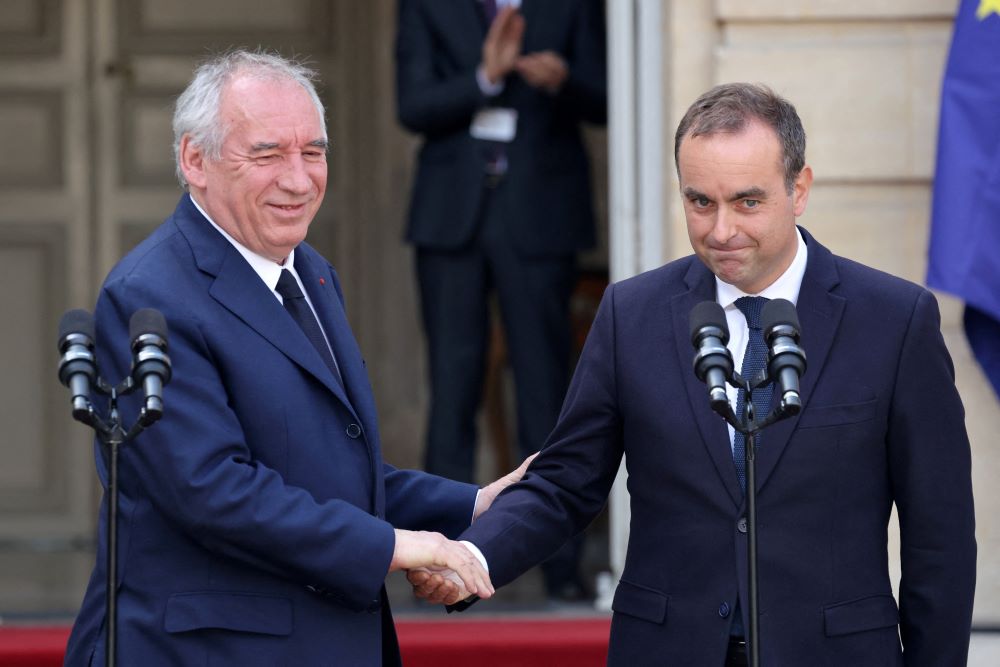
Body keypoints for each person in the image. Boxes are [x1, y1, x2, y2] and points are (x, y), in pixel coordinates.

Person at [411, 83, 978, 665]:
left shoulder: (893, 319)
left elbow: (941, 535)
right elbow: (565, 482)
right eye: (700, 202)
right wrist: (476, 558)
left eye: (747, 202)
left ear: (799, 188)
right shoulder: (631, 315)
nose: (721, 230)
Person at [63, 50, 534, 666]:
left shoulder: (308, 273)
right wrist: (396, 546)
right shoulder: (149, 294)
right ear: (194, 160)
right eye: (267, 154)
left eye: (313, 152)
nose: (298, 178)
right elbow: (211, 490)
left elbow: (326, 469)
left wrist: (471, 505)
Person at [394, 0, 607, 602]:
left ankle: (561, 570)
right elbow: (412, 105)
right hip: (451, 216)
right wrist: (484, 79)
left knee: (547, 391)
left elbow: (614, 94)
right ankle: (437, 571)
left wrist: (562, 79)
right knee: (452, 385)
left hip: (540, 212)